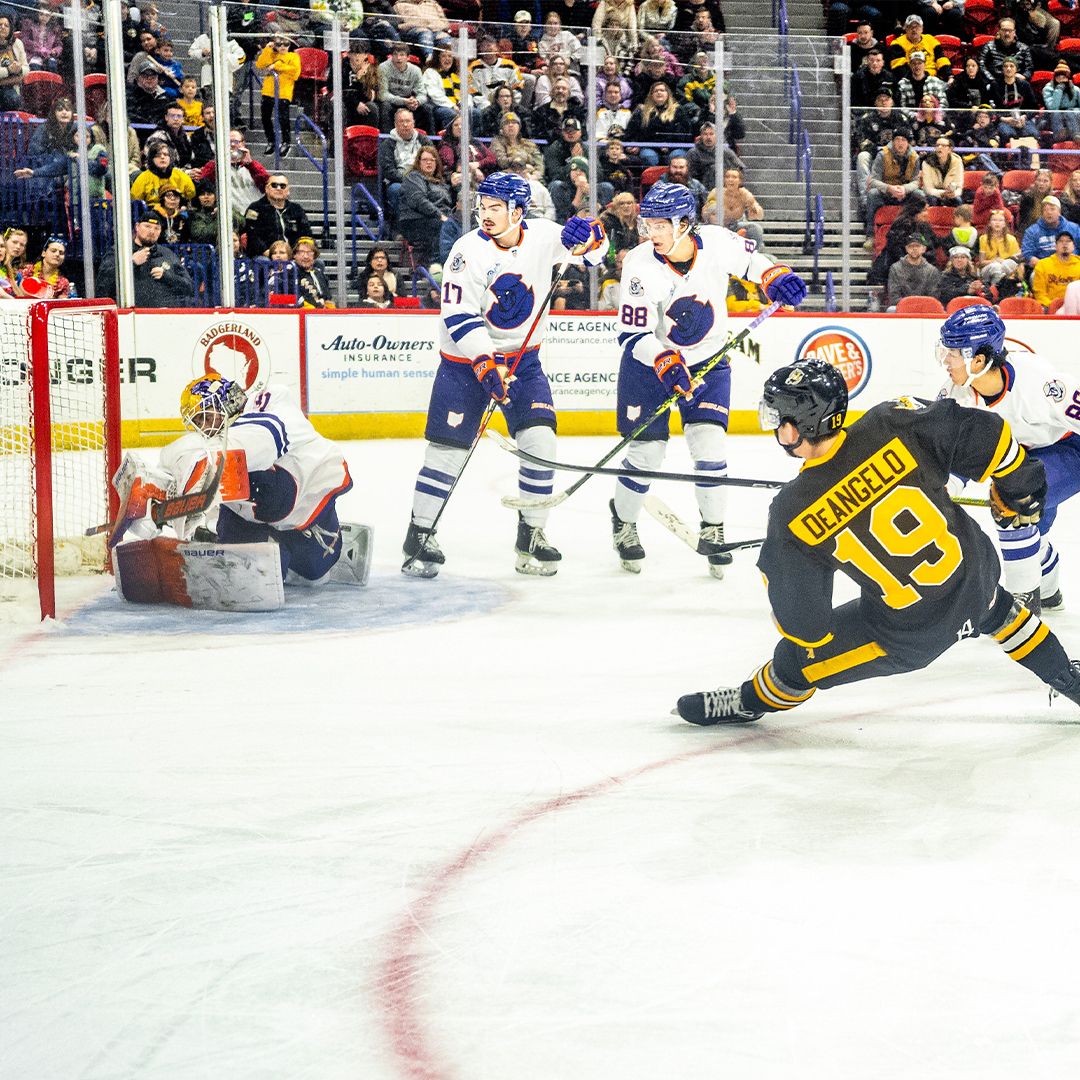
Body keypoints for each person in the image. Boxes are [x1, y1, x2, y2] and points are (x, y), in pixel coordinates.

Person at [676, 357, 1080, 725]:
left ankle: (750, 699)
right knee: (1001, 612)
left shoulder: (791, 513)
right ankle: (1070, 679)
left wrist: (785, 594)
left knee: (797, 663)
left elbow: (807, 627)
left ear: (792, 427)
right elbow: (990, 437)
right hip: (977, 575)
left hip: (913, 633)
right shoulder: (895, 421)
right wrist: (1020, 491)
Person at [401, 172, 607, 578]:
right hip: (464, 364)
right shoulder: (466, 251)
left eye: (495, 207)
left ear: (517, 210)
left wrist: (592, 235)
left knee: (541, 442)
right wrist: (484, 361)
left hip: (523, 362)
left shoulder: (547, 235)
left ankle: (531, 535)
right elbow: (458, 316)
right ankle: (419, 533)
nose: (485, 214)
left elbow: (595, 255)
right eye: (482, 205)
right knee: (448, 453)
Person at [608, 183, 807, 577]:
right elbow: (633, 335)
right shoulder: (640, 265)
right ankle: (624, 521)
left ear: (685, 223)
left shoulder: (716, 241)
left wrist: (774, 275)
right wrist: (665, 360)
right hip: (650, 366)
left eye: (661, 225)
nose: (651, 233)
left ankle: (714, 529)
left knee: (710, 448)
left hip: (708, 361)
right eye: (648, 225)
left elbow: (754, 264)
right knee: (647, 456)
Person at [155, 373, 364, 586]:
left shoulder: (266, 404)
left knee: (314, 576)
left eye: (207, 417)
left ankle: (288, 550)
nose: (205, 427)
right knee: (254, 566)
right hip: (263, 511)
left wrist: (204, 460)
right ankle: (258, 547)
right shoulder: (223, 445)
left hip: (305, 509)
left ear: (227, 401)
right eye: (199, 422)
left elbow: (265, 438)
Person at [937, 305, 1078, 614]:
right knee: (1031, 533)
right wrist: (943, 487)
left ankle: (1023, 601)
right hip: (1020, 454)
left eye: (953, 353)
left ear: (979, 359)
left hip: (1069, 449)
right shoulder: (956, 393)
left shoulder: (1040, 383)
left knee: (1012, 499)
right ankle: (1049, 588)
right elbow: (954, 452)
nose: (945, 361)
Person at [97, 209, 196, 308]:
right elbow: (102, 286)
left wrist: (167, 276)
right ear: (137, 227)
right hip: (129, 316)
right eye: (147, 226)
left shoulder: (168, 254)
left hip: (163, 316)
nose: (152, 231)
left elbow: (189, 288)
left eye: (156, 228)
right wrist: (132, 263)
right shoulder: (119, 252)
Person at [197, 129, 269, 223]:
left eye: (236, 141)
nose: (232, 145)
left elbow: (267, 186)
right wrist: (219, 160)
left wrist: (250, 164)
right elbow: (203, 186)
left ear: (243, 144)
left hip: (254, 217)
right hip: (228, 219)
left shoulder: (254, 165)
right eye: (228, 142)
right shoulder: (214, 165)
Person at [398, 145, 453, 263]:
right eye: (425, 160)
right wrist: (440, 215)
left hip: (439, 218)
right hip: (415, 220)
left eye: (432, 160)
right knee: (443, 227)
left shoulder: (441, 182)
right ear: (418, 162)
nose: (429, 163)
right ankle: (435, 265)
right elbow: (418, 200)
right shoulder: (413, 177)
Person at [377, 108, 432, 223]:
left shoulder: (424, 141)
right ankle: (403, 226)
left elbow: (433, 162)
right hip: (399, 181)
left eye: (408, 121)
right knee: (397, 190)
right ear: (395, 124)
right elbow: (389, 171)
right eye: (401, 122)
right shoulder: (387, 144)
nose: (405, 125)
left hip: (424, 179)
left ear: (413, 123)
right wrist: (409, 181)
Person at [242, 172, 312, 257]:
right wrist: (270, 253)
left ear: (288, 191)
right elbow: (252, 235)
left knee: (318, 263)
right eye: (274, 185)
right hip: (264, 256)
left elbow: (306, 233)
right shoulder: (255, 208)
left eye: (282, 186)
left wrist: (297, 253)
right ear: (266, 189)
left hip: (293, 255)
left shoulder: (297, 209)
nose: (278, 188)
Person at [255, 33, 301, 156]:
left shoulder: (293, 56)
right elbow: (260, 64)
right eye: (279, 44)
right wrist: (267, 49)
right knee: (265, 117)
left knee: (283, 118)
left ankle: (286, 142)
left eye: (286, 44)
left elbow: (295, 72)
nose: (283, 47)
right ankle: (271, 140)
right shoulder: (271, 54)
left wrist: (277, 66)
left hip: (284, 92)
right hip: (268, 91)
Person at [378, 40, 430, 133]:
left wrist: (417, 101)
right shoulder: (383, 67)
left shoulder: (415, 70)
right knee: (385, 106)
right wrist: (403, 101)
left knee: (427, 108)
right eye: (395, 54)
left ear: (408, 57)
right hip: (392, 100)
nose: (398, 58)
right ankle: (387, 139)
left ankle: (431, 142)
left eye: (402, 55)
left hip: (409, 101)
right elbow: (383, 95)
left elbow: (422, 94)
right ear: (391, 56)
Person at [131, 140, 196, 209]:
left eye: (165, 154)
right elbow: (135, 201)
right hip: (152, 213)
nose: (162, 157)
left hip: (177, 212)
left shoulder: (181, 176)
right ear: (151, 159)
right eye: (158, 155)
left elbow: (190, 195)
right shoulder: (143, 178)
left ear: (170, 158)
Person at [1021, 195, 1080, 267]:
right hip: (1044, 269)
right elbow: (1028, 255)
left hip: (1071, 266)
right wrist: (1048, 268)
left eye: (1052, 209)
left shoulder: (1074, 228)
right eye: (1045, 210)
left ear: (1059, 212)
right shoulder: (1032, 231)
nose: (1049, 212)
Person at [887, 234, 941, 308]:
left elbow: (933, 296)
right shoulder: (895, 268)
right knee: (891, 309)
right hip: (902, 307)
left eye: (917, 246)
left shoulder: (932, 271)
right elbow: (894, 296)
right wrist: (910, 306)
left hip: (924, 308)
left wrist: (918, 306)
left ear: (924, 249)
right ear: (906, 249)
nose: (914, 248)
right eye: (911, 246)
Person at [1031, 230, 1080, 309]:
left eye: (1068, 241)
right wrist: (1052, 305)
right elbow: (1039, 293)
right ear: (1055, 246)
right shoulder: (1043, 265)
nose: (1065, 244)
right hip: (1049, 307)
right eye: (1061, 241)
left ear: (1074, 246)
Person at [1043, 60, 1080, 143]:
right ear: (1054, 77)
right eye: (1058, 77)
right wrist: (1058, 91)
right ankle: (1059, 135)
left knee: (1069, 112)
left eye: (1064, 77)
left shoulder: (1076, 90)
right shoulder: (1047, 89)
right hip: (1052, 116)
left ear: (1068, 78)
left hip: (1073, 116)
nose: (1061, 80)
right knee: (1057, 112)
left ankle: (1077, 135)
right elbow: (1053, 108)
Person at [0, 11, 27, 111]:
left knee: (14, 99)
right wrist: (8, 70)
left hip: (11, 87)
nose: (3, 27)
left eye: (6, 25)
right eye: (0, 25)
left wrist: (19, 69)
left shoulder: (17, 43)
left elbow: (26, 68)